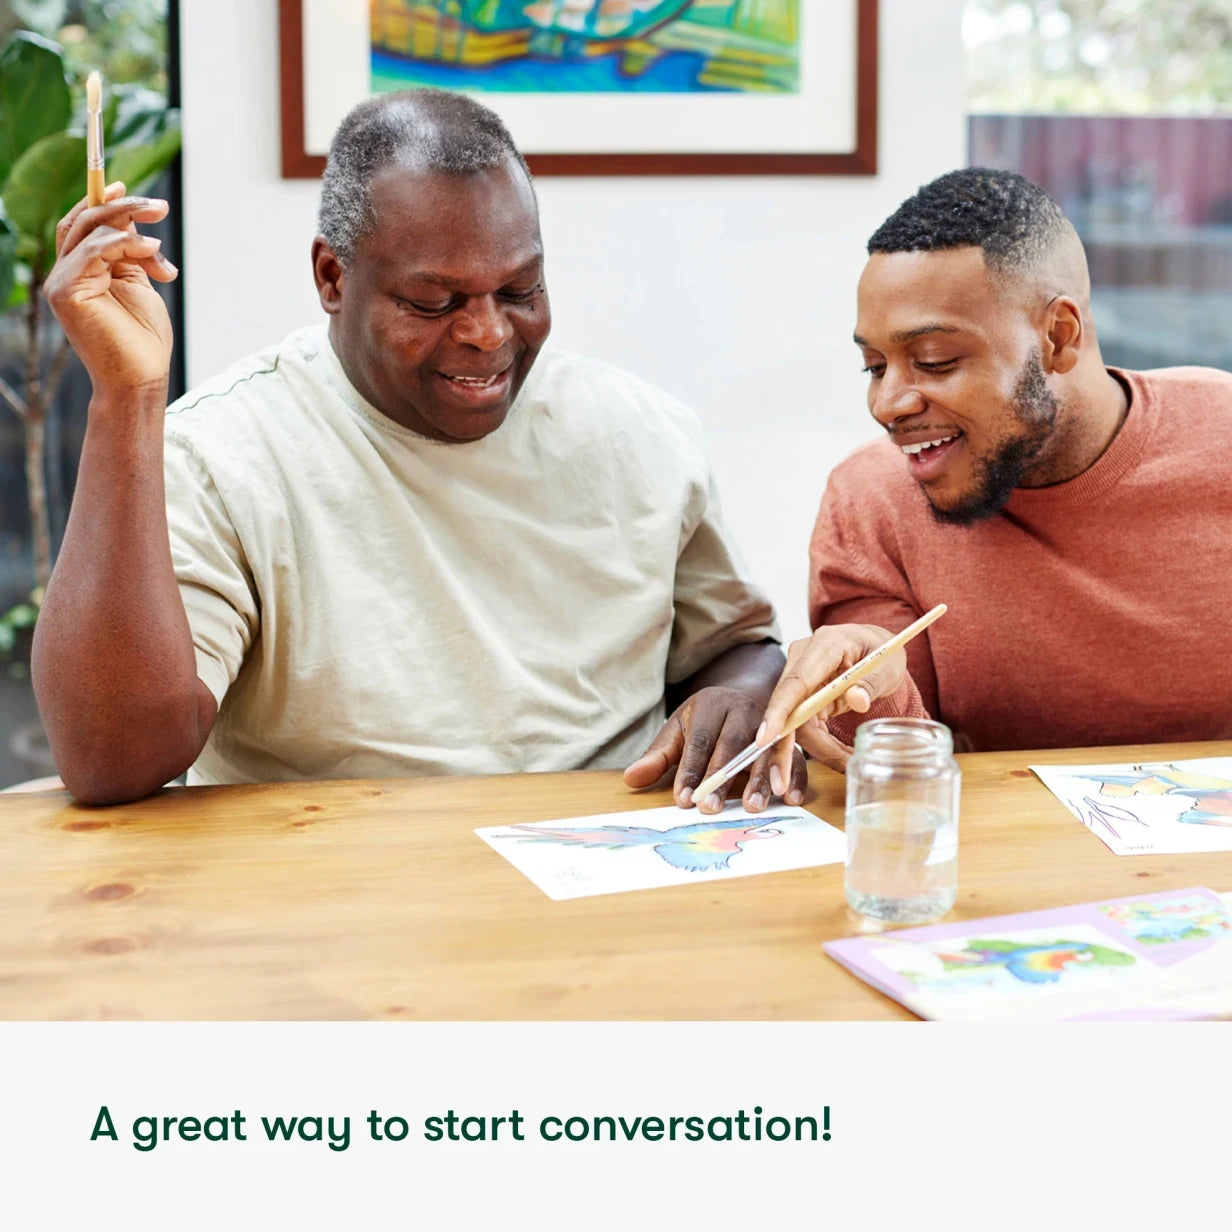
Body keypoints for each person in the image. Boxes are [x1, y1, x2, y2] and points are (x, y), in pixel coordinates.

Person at [34, 89, 806, 809]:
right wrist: (127, 400)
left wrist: (739, 692)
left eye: (520, 290)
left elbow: (737, 648)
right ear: (332, 277)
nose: (488, 333)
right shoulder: (225, 454)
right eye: (434, 301)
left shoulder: (639, 431)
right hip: (341, 892)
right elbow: (113, 759)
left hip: (601, 875)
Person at [757, 166, 1232, 785]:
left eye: (935, 360)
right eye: (874, 367)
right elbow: (894, 763)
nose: (888, 405)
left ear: (1059, 338)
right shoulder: (871, 499)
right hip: (1003, 863)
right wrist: (874, 690)